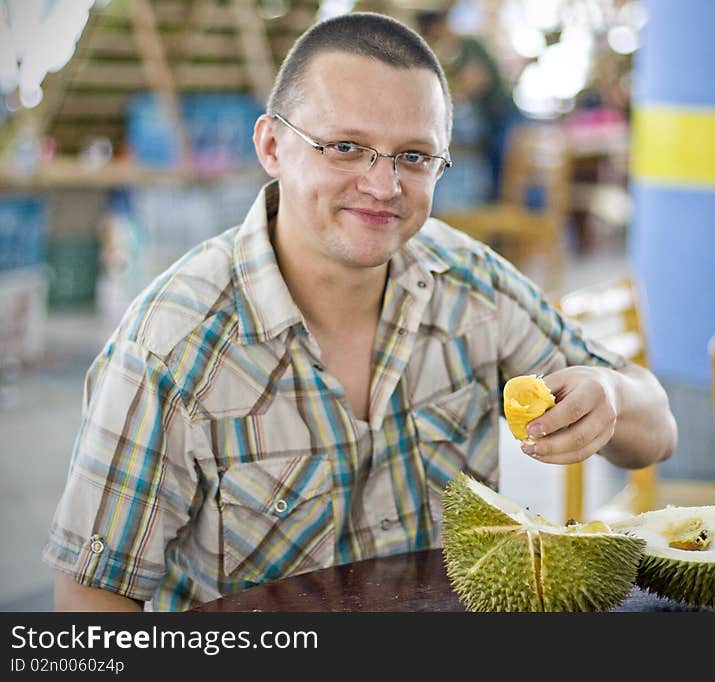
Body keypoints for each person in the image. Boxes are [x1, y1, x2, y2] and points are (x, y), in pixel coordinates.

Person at [45, 12, 677, 612]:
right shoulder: (172, 348)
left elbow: (657, 433)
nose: (382, 185)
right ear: (272, 145)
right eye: (345, 146)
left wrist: (610, 396)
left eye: (414, 156)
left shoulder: (472, 286)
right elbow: (91, 601)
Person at [415, 9, 519, 205]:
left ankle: (494, 219)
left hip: (500, 114)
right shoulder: (446, 51)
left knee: (499, 173)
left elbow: (478, 80)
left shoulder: (469, 45)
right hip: (485, 118)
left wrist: (455, 90)